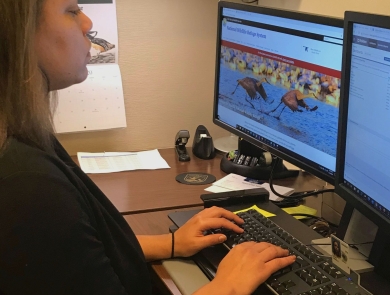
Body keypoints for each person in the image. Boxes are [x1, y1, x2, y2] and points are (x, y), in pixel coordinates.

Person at [0, 1, 296, 294]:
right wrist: (228, 286)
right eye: (72, 11)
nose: (88, 23)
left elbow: (73, 252)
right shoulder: (27, 185)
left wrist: (170, 243)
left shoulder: (22, 137)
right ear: (20, 33)